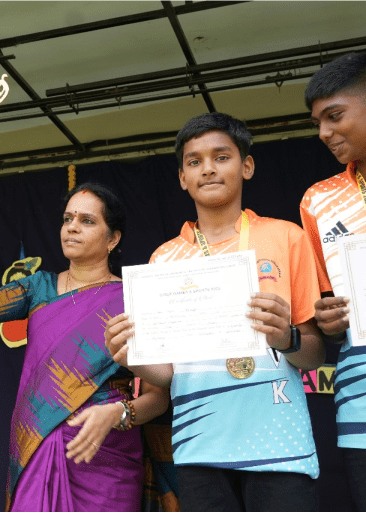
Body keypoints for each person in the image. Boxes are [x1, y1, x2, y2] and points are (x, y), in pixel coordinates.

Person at [106, 113, 325, 512]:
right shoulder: (163, 259)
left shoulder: (286, 237)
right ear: (182, 177)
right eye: (194, 161)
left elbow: (314, 354)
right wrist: (132, 358)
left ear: (246, 165)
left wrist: (287, 337)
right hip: (199, 447)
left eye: (221, 156)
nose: (207, 168)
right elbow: (168, 375)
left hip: (279, 444)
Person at [0, 182, 170, 512]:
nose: (72, 228)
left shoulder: (135, 298)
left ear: (113, 238)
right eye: (68, 218)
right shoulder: (38, 288)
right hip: (38, 444)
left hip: (108, 452)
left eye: (87, 221)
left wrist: (119, 413)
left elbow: (159, 396)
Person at [300, 52, 366, 511]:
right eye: (318, 121)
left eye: (335, 116)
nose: (324, 132)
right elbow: (329, 306)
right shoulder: (317, 200)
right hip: (360, 387)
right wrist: (328, 317)